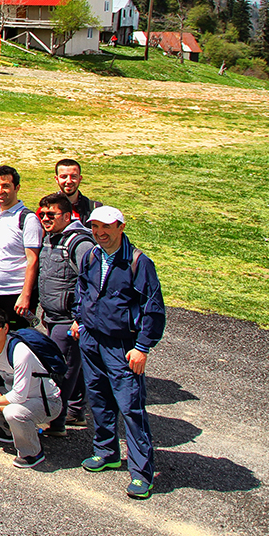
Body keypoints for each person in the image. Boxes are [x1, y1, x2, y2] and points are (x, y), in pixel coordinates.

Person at [73, 206, 166, 500]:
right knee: (98, 398)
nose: (100, 233)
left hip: (123, 346)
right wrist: (79, 319)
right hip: (91, 338)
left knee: (131, 408)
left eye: (107, 227)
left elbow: (153, 308)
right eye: (96, 227)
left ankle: (142, 474)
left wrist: (142, 347)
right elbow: (83, 288)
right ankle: (106, 451)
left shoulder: (139, 262)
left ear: (121, 227)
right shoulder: (92, 255)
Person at [0, 306, 60, 468]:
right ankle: (14, 432)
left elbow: (19, 396)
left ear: (5, 328)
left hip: (46, 402)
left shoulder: (19, 351)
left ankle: (32, 452)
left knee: (12, 412)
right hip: (15, 395)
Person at [35, 192, 95, 433]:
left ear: (68, 216)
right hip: (53, 316)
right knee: (73, 367)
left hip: (68, 319)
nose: (46, 218)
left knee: (62, 370)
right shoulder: (52, 238)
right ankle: (75, 412)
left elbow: (91, 281)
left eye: (52, 214)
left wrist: (79, 319)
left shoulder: (79, 243)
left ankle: (56, 421)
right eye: (42, 214)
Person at [0, 166, 41, 324]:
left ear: (17, 188)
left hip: (15, 294)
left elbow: (32, 260)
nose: (0, 191)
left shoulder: (28, 218)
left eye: (5, 186)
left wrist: (25, 296)